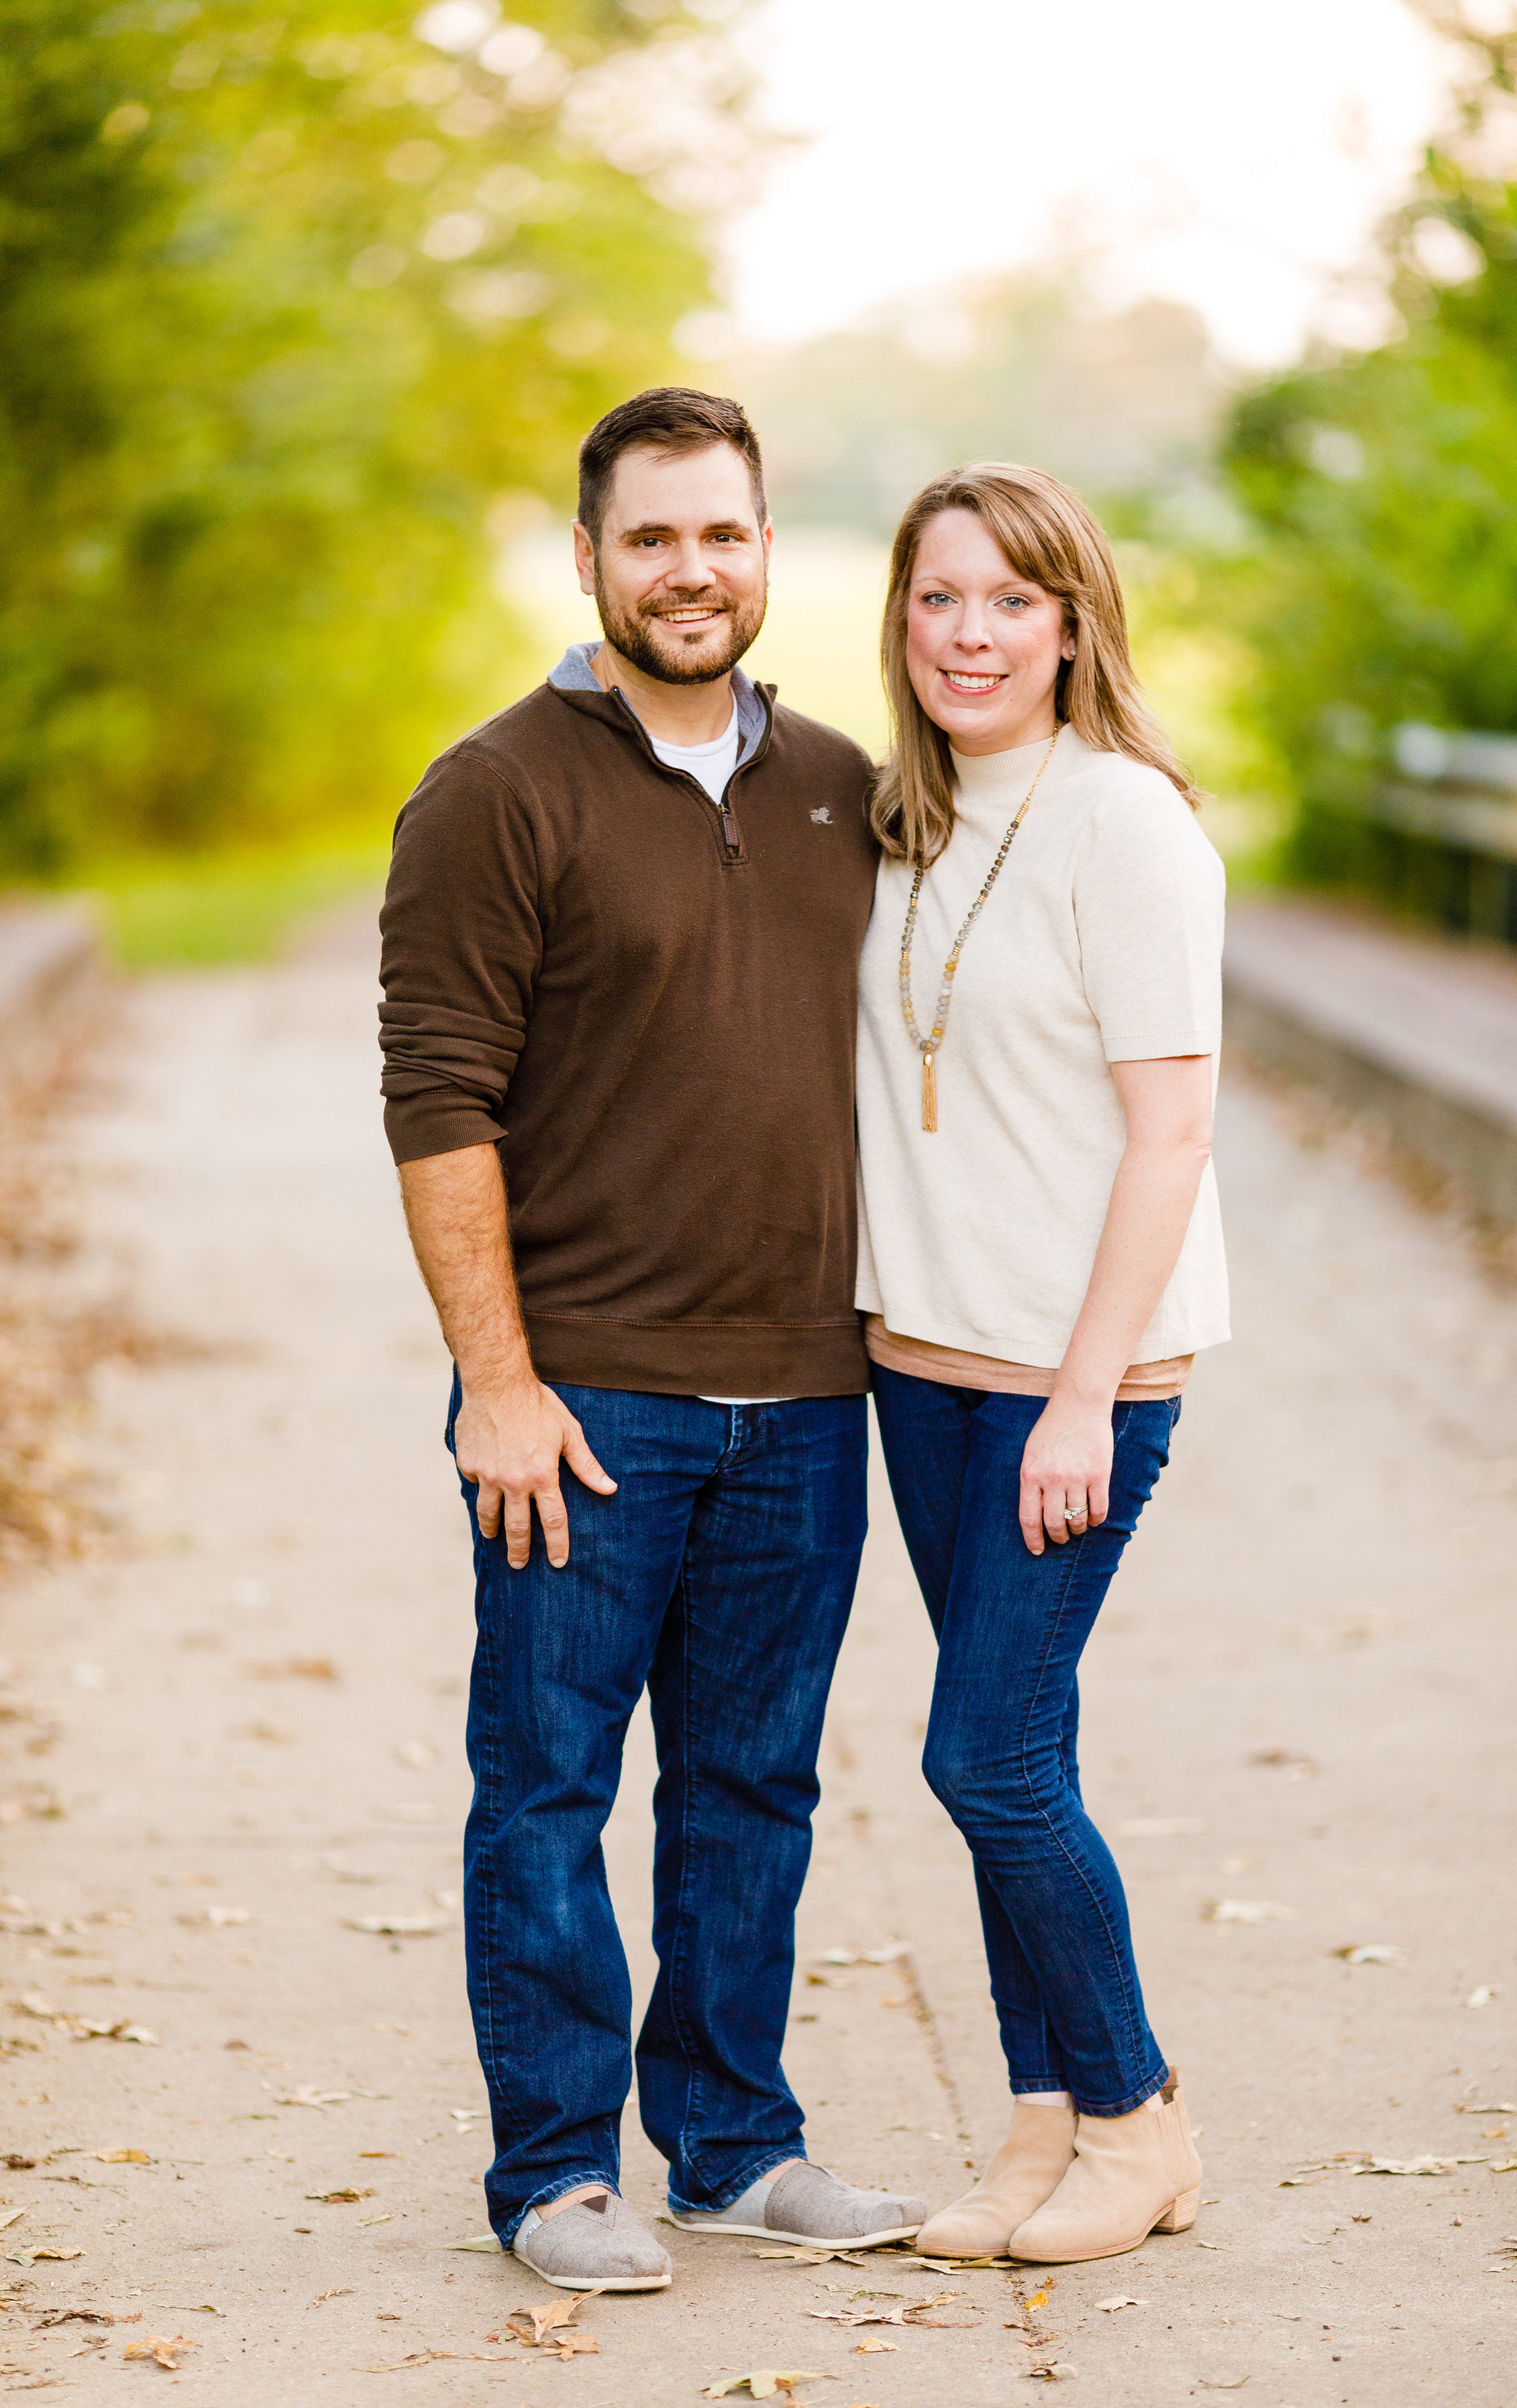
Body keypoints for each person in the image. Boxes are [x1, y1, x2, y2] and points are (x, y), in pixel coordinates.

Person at [378, 388, 925, 2293]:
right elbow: (439, 1100)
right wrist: (499, 1387)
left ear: (769, 546)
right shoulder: (496, 789)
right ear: (592, 554)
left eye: (724, 534)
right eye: (652, 539)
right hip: (585, 1401)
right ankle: (552, 2172)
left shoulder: (848, 786)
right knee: (544, 1789)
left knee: (752, 1789)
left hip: (803, 1396)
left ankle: (730, 2147)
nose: (691, 571)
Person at [855, 462, 1227, 2264]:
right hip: (915, 1369)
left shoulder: (1126, 826)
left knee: (986, 1760)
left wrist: (1082, 1394)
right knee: (1025, 1751)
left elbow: (1170, 1137)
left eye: (1010, 598)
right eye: (939, 598)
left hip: (1065, 1389)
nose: (971, 633)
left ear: (1073, 620)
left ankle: (1138, 2122)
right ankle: (1040, 2126)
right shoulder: (903, 824)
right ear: (900, 622)